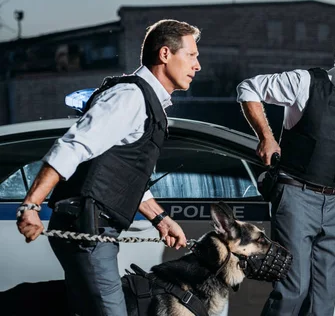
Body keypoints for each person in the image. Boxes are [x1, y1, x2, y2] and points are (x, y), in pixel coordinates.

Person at [16, 19, 202, 316]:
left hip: (96, 229)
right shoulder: (130, 97)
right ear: (165, 54)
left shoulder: (148, 104)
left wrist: (161, 219)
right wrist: (31, 205)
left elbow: (123, 173)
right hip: (88, 229)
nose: (198, 65)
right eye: (192, 55)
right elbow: (72, 146)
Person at [236, 30, 335, 316]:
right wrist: (266, 136)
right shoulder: (306, 83)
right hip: (295, 197)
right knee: (293, 289)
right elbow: (249, 88)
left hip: (332, 205)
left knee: (323, 300)